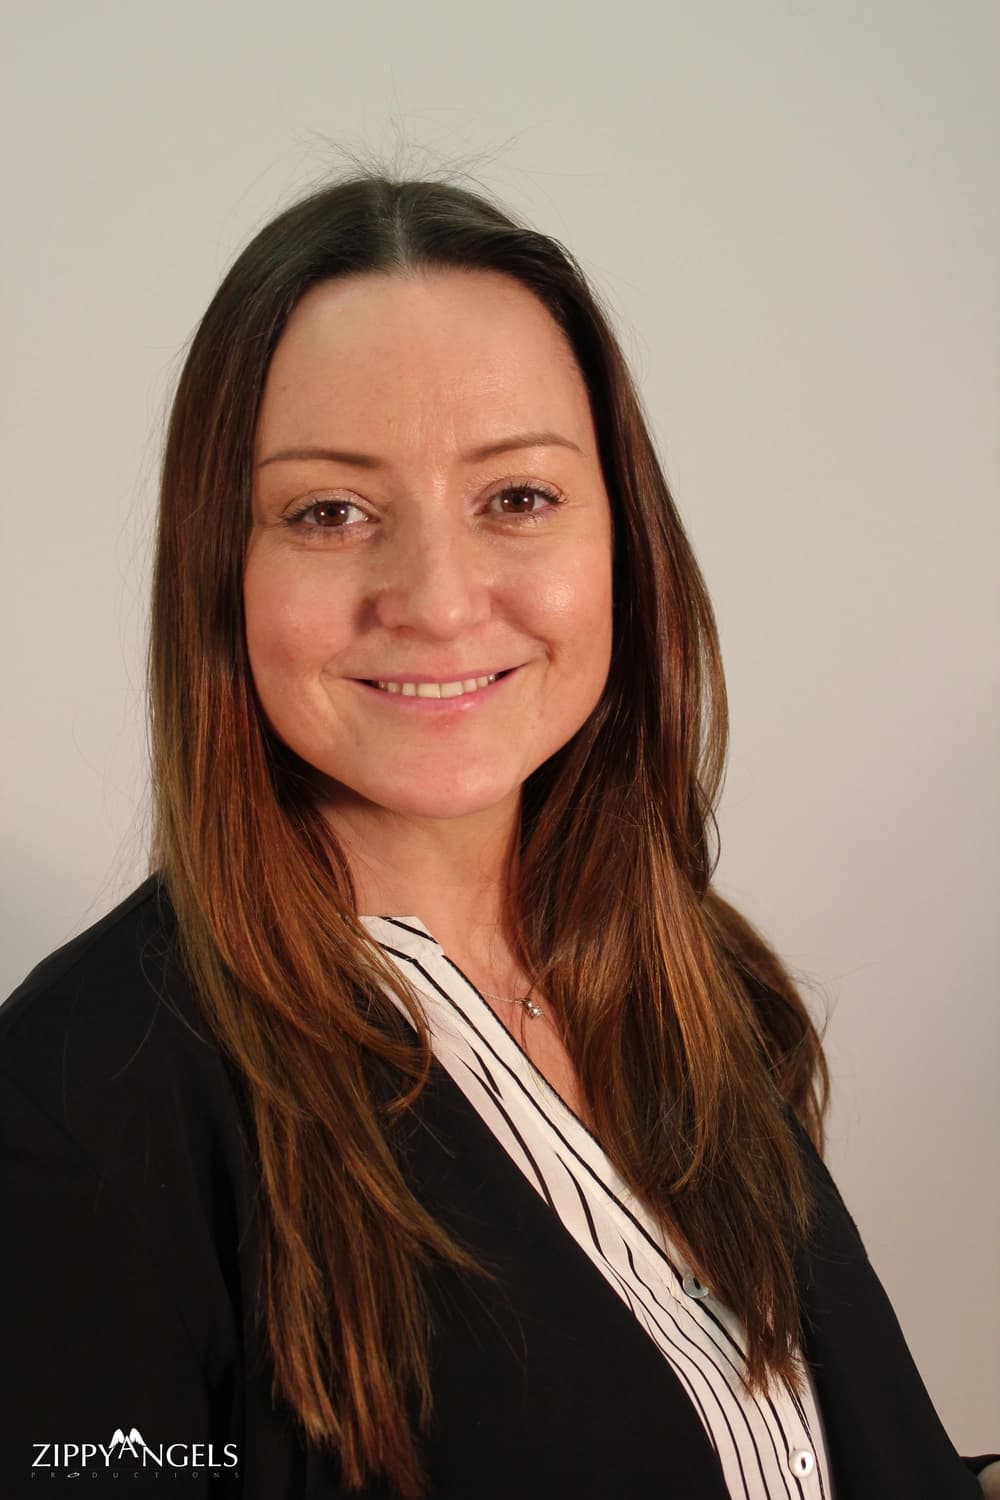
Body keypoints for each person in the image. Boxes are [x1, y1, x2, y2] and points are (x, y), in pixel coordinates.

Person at [0, 168, 996, 1500]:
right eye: (328, 512)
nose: (437, 597)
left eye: (516, 497)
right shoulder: (82, 1103)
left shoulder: (695, 984)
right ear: (219, 572)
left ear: (620, 541)